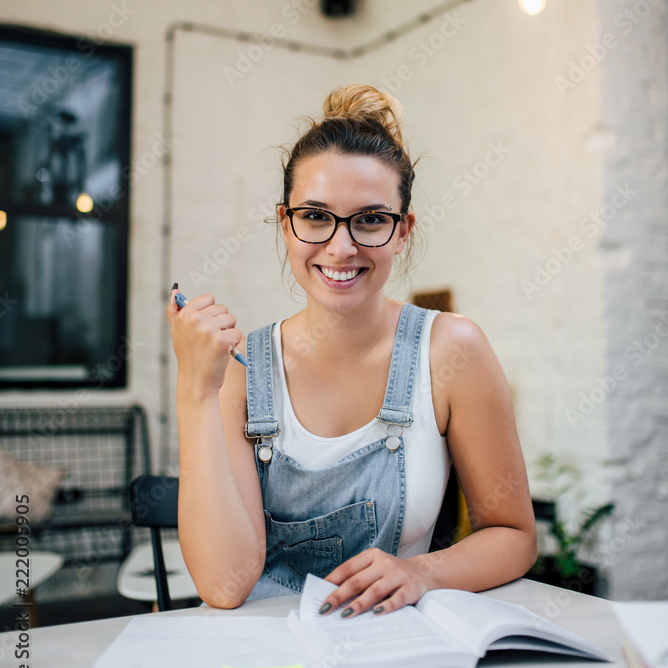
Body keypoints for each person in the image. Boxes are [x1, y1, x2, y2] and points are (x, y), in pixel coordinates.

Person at [167, 84, 536, 618]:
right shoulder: (243, 369)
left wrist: (421, 571)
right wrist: (195, 390)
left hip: (400, 662)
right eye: (315, 215)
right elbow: (225, 586)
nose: (341, 247)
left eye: (369, 219)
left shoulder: (452, 351)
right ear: (285, 221)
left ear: (403, 230)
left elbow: (514, 534)